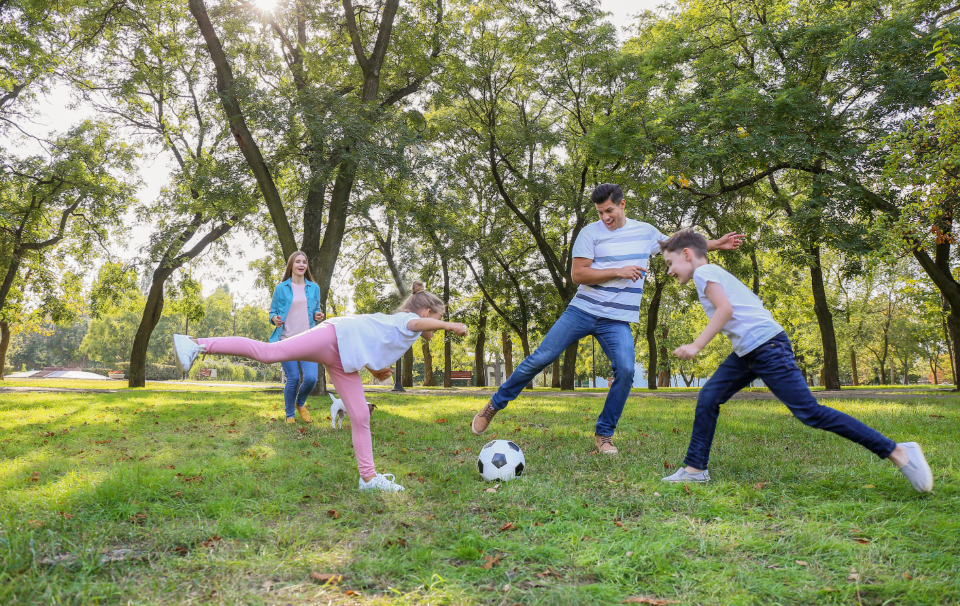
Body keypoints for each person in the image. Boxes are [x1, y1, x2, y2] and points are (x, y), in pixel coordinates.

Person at [470, 183, 744, 454]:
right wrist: (619, 271)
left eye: (609, 210)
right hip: (582, 311)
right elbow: (578, 275)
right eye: (600, 212)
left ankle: (604, 434)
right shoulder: (590, 233)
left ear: (622, 204)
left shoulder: (645, 232)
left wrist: (715, 244)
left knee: (626, 371)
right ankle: (493, 405)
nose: (605, 217)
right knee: (540, 358)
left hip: (616, 320)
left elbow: (678, 246)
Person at [657, 229, 933, 492]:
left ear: (687, 254)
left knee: (810, 412)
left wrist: (696, 345)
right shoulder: (712, 272)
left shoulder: (704, 272)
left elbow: (725, 310)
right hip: (748, 351)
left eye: (670, 263)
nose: (669, 271)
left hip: (766, 347)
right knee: (709, 397)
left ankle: (897, 451)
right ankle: (695, 469)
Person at [173, 282, 467, 492]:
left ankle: (368, 479)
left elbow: (367, 342)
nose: (439, 324)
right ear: (427, 312)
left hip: (343, 360)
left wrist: (374, 370)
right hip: (333, 336)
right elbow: (418, 326)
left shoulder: (401, 327)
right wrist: (450, 326)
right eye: (439, 318)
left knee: (360, 415)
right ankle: (196, 344)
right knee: (269, 352)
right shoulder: (410, 320)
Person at [270, 251, 324, 424]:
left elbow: (316, 309)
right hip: (286, 339)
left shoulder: (314, 288)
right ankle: (290, 415)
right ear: (291, 265)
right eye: (298, 261)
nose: (301, 265)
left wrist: (318, 315)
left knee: (311, 378)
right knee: (293, 378)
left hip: (308, 340)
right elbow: (273, 312)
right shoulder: (281, 288)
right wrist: (274, 318)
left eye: (304, 262)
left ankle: (300, 403)